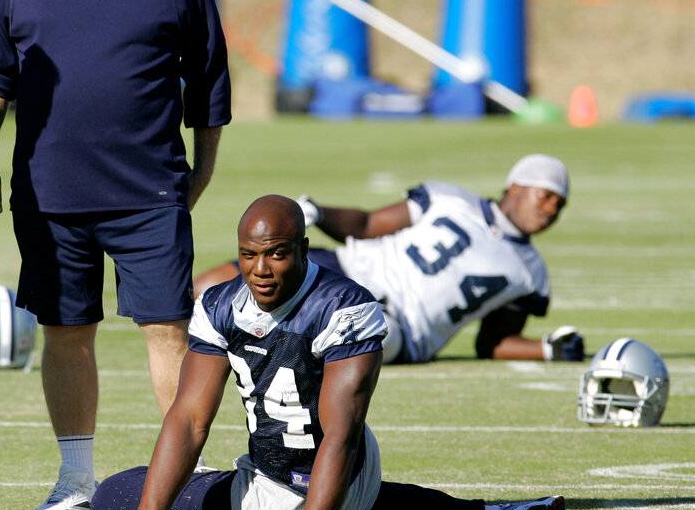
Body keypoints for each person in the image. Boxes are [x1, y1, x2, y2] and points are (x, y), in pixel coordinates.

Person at [0, 0, 231, 510]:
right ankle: (75, 482)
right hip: (49, 193)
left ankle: (191, 480)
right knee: (65, 331)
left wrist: (201, 169)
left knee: (169, 331)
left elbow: (207, 78)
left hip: (148, 190)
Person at [92, 195, 567, 510]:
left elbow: (342, 432)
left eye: (276, 255)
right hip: (342, 482)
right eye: (249, 255)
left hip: (301, 487)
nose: (260, 270)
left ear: (304, 249)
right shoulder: (220, 304)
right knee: (358, 506)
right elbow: (189, 417)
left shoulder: (345, 307)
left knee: (111, 496)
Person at [194, 154, 583, 365]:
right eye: (545, 195)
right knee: (206, 289)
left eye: (559, 205)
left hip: (397, 324)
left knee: (303, 339)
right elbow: (367, 224)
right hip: (346, 269)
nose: (550, 210)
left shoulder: (533, 273)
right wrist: (318, 211)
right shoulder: (450, 198)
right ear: (515, 186)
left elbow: (493, 342)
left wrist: (545, 348)